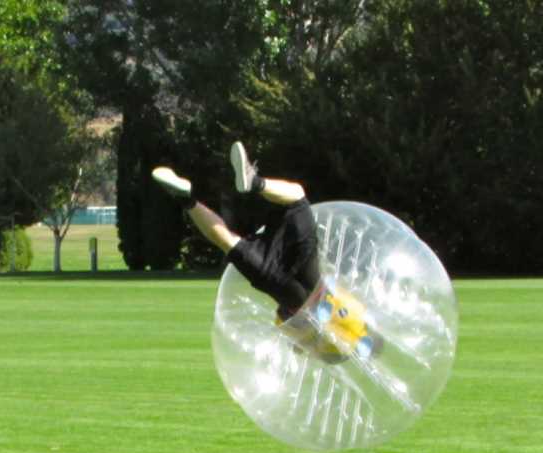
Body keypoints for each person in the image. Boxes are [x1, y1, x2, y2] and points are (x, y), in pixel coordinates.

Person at [152, 141, 381, 362]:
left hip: (305, 263)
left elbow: (343, 284)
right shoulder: (335, 349)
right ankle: (186, 200)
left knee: (297, 198)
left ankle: (255, 182)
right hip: (277, 284)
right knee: (228, 242)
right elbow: (288, 329)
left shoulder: (358, 318)